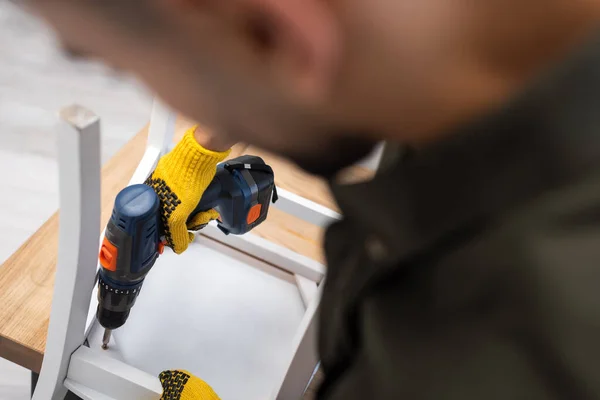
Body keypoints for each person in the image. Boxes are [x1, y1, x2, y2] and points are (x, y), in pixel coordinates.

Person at [27, 0, 600, 398]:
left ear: (275, 34)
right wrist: (203, 148)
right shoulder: (470, 80)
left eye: (124, 65)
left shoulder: (509, 347)